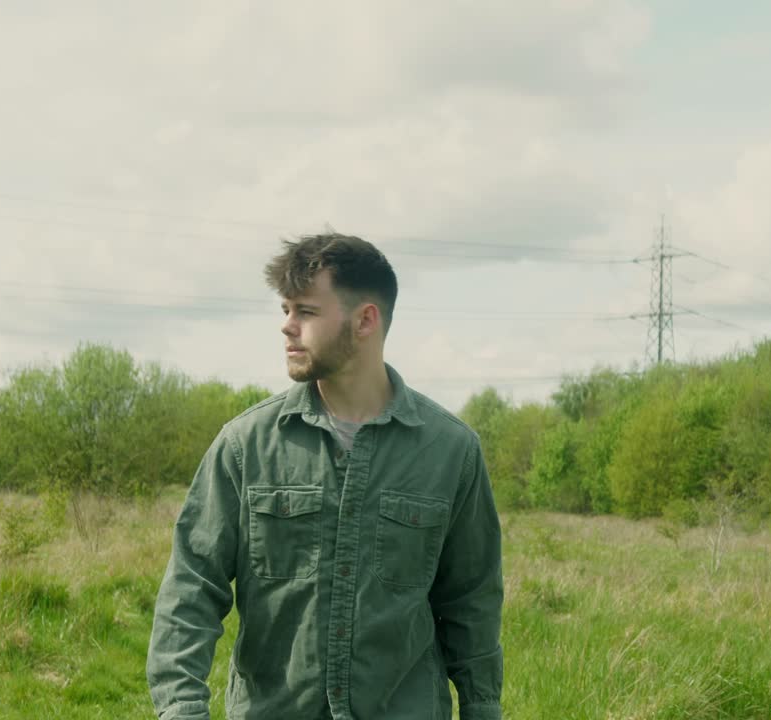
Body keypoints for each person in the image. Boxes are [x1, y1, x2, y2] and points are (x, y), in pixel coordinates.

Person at [147, 233, 504, 719]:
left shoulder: (451, 452)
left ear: (365, 320)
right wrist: (182, 710)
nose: (287, 327)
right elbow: (190, 592)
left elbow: (472, 603)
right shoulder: (245, 446)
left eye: (306, 312)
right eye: (285, 310)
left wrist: (483, 709)